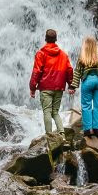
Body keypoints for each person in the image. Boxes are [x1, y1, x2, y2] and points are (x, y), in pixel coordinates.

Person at [28, 29, 74, 160]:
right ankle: (62, 136)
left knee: (47, 112)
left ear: (45, 38)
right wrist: (70, 85)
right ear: (56, 39)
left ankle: (49, 137)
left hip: (45, 87)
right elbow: (69, 70)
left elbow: (36, 71)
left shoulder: (41, 53)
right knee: (55, 112)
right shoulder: (64, 55)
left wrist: (32, 87)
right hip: (59, 87)